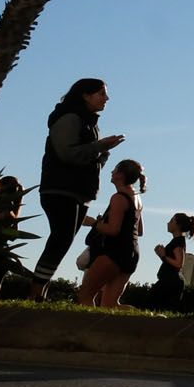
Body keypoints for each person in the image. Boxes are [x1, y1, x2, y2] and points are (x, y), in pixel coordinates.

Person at [28, 79, 124, 300]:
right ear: (85, 95)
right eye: (101, 93)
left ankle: (39, 290)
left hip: (79, 192)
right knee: (60, 239)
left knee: (62, 241)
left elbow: (89, 160)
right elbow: (68, 153)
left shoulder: (90, 123)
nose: (106, 98)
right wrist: (101, 146)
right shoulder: (70, 118)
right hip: (61, 189)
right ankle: (36, 292)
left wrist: (104, 153)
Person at [76, 159, 144, 308]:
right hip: (131, 253)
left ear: (121, 175)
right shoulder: (137, 198)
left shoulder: (118, 198)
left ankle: (84, 329)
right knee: (110, 305)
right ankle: (149, 321)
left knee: (85, 296)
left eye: (115, 169)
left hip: (114, 252)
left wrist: (94, 223)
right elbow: (139, 230)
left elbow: (113, 230)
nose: (112, 172)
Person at [146, 212, 194, 311]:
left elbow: (178, 264)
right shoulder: (177, 241)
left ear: (178, 225)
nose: (168, 223)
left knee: (153, 303)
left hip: (171, 282)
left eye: (172, 221)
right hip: (169, 281)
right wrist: (162, 256)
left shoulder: (178, 242)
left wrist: (164, 256)